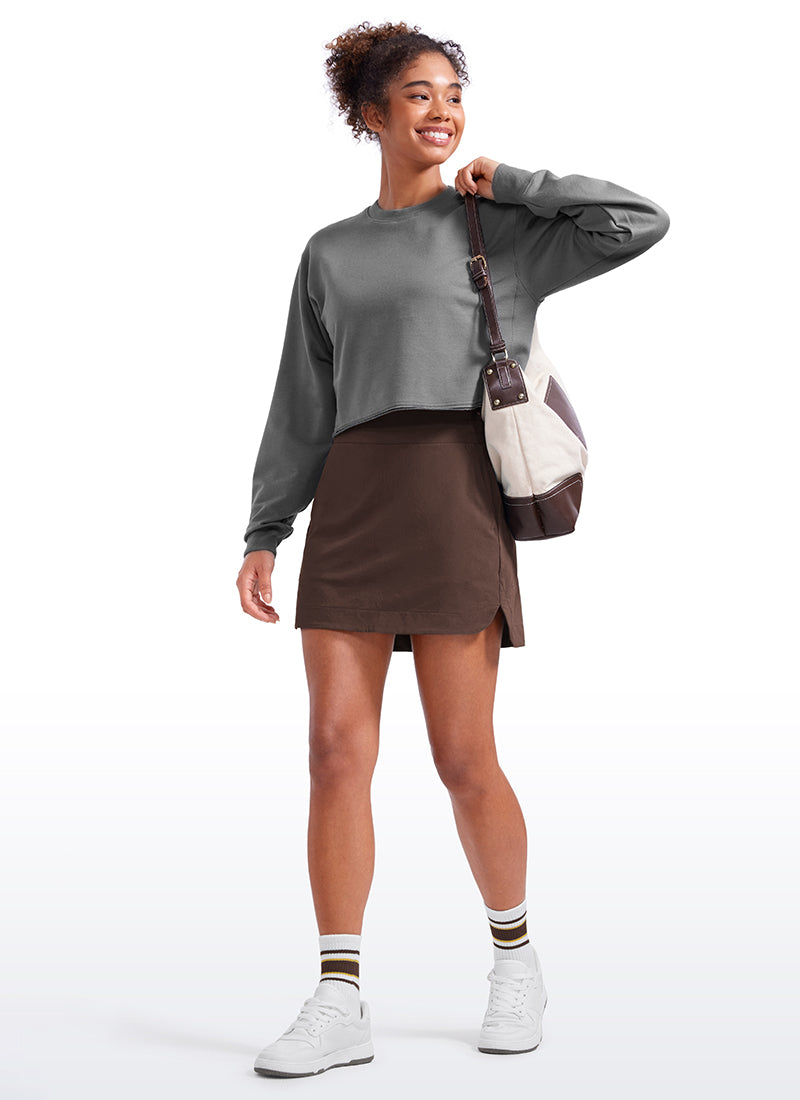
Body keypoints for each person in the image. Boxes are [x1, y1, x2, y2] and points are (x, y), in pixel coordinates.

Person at [236, 21, 669, 1079]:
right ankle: (339, 995)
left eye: (453, 93)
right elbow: (301, 402)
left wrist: (514, 180)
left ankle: (515, 960)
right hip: (352, 498)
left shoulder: (499, 228)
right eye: (418, 95)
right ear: (370, 115)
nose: (441, 111)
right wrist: (265, 529)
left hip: (453, 494)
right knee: (334, 751)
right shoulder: (329, 252)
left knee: (462, 756)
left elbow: (637, 221)